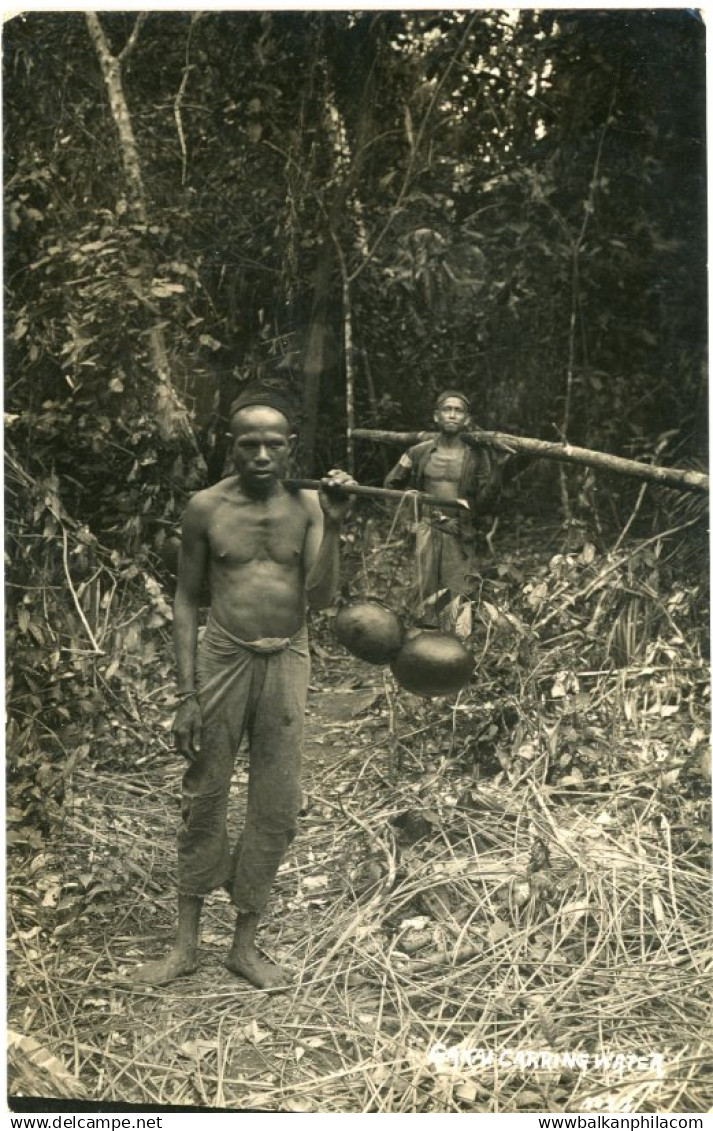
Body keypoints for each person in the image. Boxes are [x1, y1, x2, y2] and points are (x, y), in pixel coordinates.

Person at [133, 387, 355, 990]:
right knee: (205, 791)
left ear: (290, 450)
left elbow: (320, 599)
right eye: (248, 443)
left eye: (273, 445)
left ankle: (245, 944)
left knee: (276, 804)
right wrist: (186, 694)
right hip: (223, 655)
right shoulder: (205, 507)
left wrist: (333, 527)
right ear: (230, 448)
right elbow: (186, 600)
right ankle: (183, 947)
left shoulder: (310, 506)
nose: (260, 454)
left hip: (288, 656)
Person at [384, 389, 500, 632]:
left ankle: (453, 650)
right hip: (426, 527)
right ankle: (421, 645)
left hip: (459, 530)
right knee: (423, 591)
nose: (452, 415)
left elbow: (485, 501)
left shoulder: (477, 456)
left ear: (466, 419)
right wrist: (407, 518)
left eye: (458, 411)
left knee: (458, 593)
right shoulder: (418, 452)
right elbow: (392, 483)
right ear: (436, 416)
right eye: (447, 409)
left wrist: (498, 467)